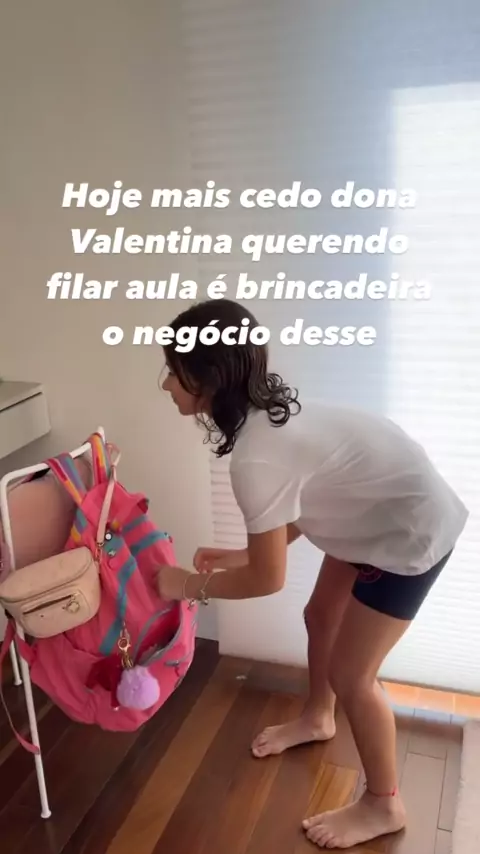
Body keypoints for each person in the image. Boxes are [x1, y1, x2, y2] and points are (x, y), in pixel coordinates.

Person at [156, 298, 468, 850]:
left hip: (408, 532)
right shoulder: (272, 414)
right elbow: (312, 503)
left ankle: (384, 804)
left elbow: (266, 580)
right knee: (320, 614)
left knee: (354, 675)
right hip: (374, 516)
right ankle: (318, 717)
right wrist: (243, 552)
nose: (166, 385)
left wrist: (184, 586)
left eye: (173, 373)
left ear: (207, 380)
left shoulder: (256, 456)